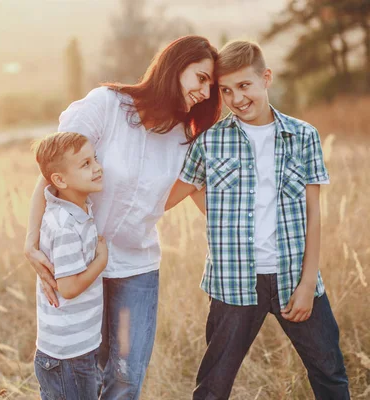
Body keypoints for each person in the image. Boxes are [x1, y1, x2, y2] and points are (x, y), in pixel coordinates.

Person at [25, 35, 222, 399]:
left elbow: (183, 194)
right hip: (81, 265)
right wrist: (30, 243)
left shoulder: (184, 138)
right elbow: (52, 173)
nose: (206, 93)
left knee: (127, 377)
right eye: (201, 78)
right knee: (83, 375)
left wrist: (246, 238)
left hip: (136, 269)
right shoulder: (106, 106)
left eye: (211, 85)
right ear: (176, 66)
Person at [167, 40, 350, 400]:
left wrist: (308, 280)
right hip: (233, 283)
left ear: (266, 78)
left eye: (245, 85)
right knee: (213, 385)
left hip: (295, 278)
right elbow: (177, 191)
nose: (236, 98)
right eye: (226, 90)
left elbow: (314, 213)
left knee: (329, 372)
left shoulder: (303, 136)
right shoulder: (210, 141)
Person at [31, 131, 108, 400]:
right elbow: (69, 287)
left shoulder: (78, 209)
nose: (97, 167)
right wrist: (101, 262)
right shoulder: (65, 225)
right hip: (67, 357)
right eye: (85, 164)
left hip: (78, 348)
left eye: (94, 159)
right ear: (60, 180)